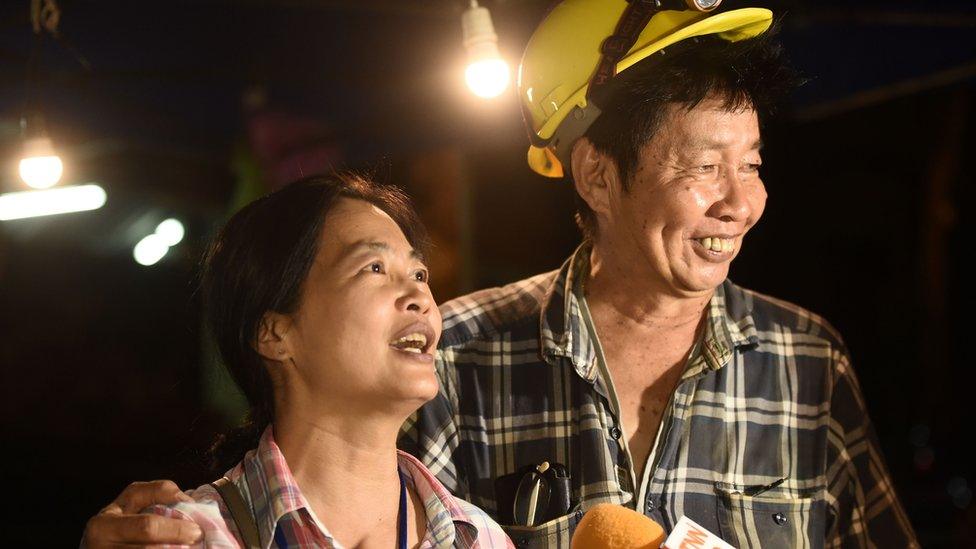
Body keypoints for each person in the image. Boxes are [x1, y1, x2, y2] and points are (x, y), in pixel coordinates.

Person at [83, 2, 919, 548]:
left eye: (755, 165)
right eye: (706, 167)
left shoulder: (809, 361)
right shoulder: (456, 357)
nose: (744, 202)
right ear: (595, 174)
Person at [85, 174, 512, 548]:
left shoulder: (479, 538)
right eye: (375, 267)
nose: (420, 296)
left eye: (419, 274)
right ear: (274, 334)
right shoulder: (190, 537)